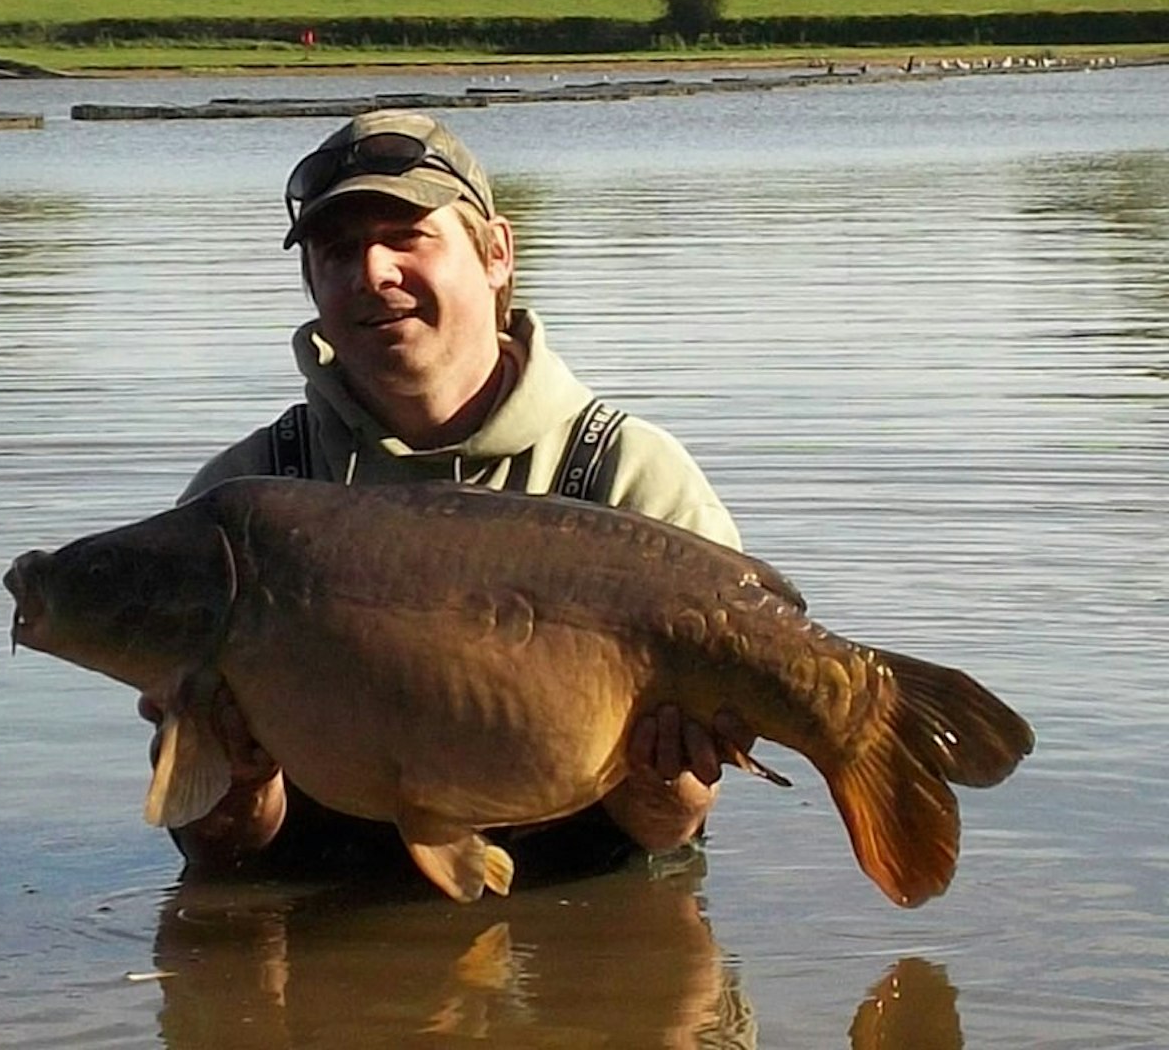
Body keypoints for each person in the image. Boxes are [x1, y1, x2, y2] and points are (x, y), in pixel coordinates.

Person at [139, 108, 755, 881]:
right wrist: (236, 775)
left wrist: (668, 778)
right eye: (338, 250)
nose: (372, 272)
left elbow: (667, 830)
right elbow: (218, 856)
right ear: (311, 283)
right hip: (329, 919)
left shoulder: (631, 478)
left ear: (496, 253)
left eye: (406, 237)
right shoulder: (240, 508)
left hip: (578, 922)